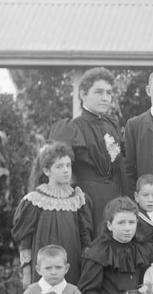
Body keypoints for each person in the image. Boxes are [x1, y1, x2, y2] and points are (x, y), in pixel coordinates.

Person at [54, 67, 130, 232]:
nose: (105, 98)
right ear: (83, 95)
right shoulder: (71, 128)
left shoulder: (112, 124)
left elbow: (121, 167)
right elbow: (56, 171)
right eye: (98, 92)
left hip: (115, 200)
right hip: (87, 203)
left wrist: (127, 202)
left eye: (109, 93)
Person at [12, 141, 92, 285]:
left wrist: (87, 269)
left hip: (72, 264)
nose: (66, 170)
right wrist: (27, 272)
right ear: (47, 171)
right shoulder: (35, 200)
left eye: (68, 165)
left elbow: (84, 236)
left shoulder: (77, 198)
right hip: (44, 267)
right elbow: (25, 240)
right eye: (59, 166)